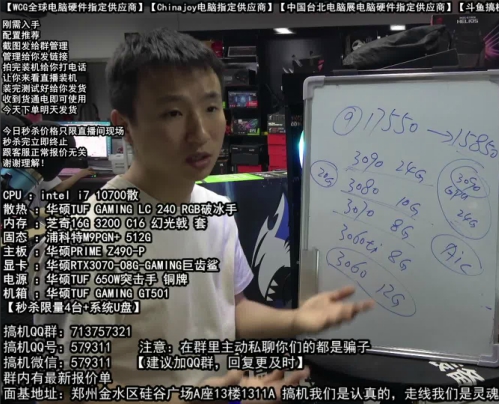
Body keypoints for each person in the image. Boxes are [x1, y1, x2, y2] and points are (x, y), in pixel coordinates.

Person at [30, 28, 374, 404]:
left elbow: (231, 310)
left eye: (211, 108)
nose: (200, 133)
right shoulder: (81, 243)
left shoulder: (215, 212)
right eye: (173, 113)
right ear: (124, 124)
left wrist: (295, 320)